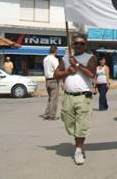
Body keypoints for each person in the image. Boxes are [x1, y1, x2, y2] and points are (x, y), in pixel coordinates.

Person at [54, 34, 97, 165]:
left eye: (82, 43)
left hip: (84, 97)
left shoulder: (90, 58)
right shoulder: (65, 59)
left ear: (85, 46)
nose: (79, 45)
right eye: (76, 43)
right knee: (69, 123)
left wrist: (77, 65)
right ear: (72, 45)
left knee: (82, 125)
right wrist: (67, 71)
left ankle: (78, 150)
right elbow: (56, 75)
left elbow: (91, 74)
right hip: (68, 96)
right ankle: (78, 137)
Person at [42, 45, 60, 120]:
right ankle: (52, 115)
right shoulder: (54, 59)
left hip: (47, 80)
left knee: (50, 98)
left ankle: (47, 113)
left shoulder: (45, 59)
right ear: (55, 51)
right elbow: (57, 70)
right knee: (54, 99)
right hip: (54, 80)